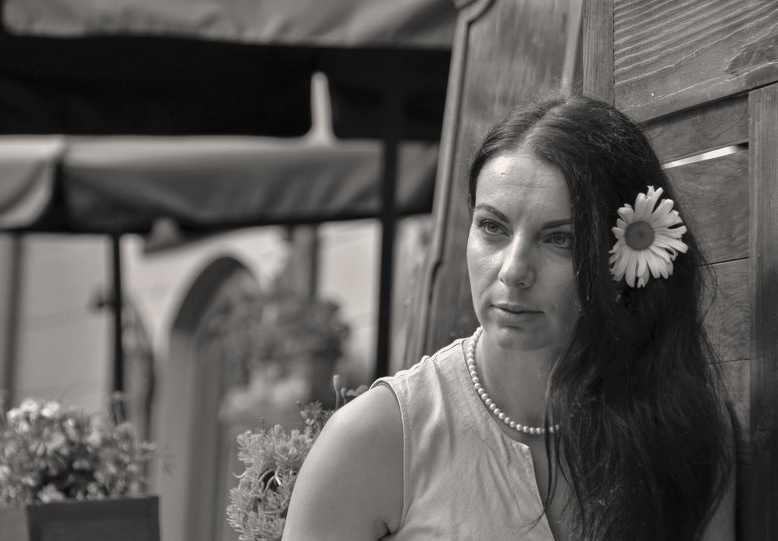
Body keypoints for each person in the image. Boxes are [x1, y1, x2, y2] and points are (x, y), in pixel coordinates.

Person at [282, 95, 736, 540]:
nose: (514, 270)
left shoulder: (683, 429)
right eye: (492, 227)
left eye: (560, 239)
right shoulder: (375, 440)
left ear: (626, 257)